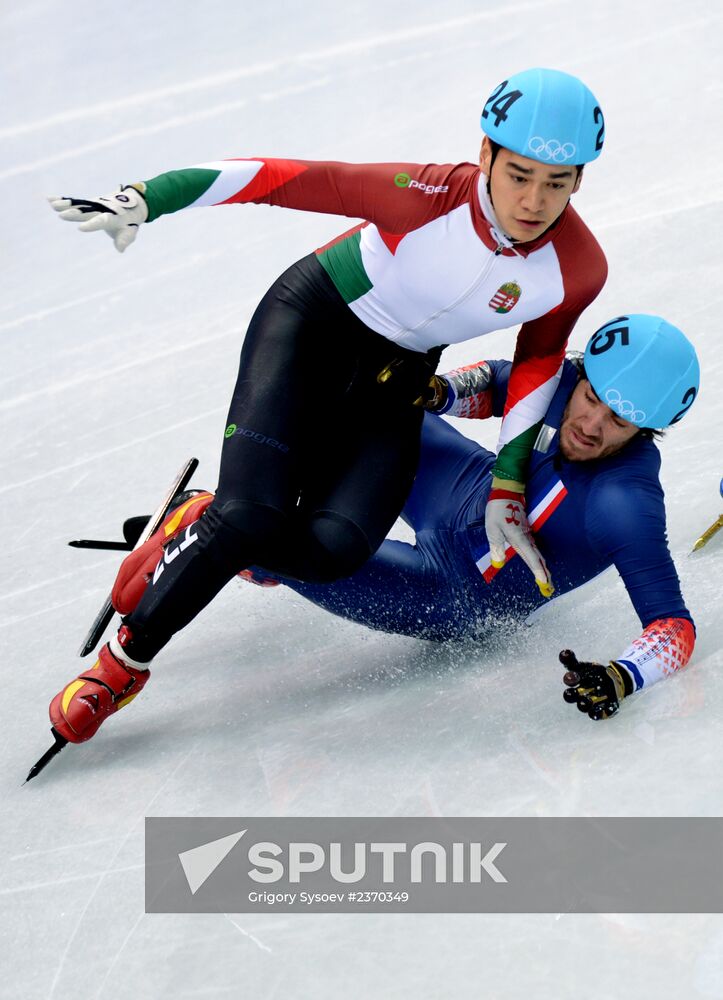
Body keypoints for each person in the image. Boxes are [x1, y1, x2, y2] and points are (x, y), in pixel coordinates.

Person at [47, 68, 609, 740]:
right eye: (518, 174)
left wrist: (507, 484)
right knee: (251, 513)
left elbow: (538, 364)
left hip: (392, 379)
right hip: (310, 327)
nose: (533, 199)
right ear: (484, 154)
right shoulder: (423, 194)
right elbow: (277, 177)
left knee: (334, 551)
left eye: (556, 181)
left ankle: (199, 521)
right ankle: (123, 665)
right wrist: (147, 197)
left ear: (579, 180)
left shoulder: (576, 266)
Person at [49, 315, 700, 738]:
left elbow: (671, 625)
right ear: (582, 374)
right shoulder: (568, 387)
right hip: (460, 485)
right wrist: (437, 392)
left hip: (450, 593)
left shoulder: (627, 502)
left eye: (618, 422)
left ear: (647, 431)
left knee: (271, 548)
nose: (590, 424)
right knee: (371, 398)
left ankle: (215, 529)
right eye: (590, 398)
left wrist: (622, 675)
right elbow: (500, 383)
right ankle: (248, 514)